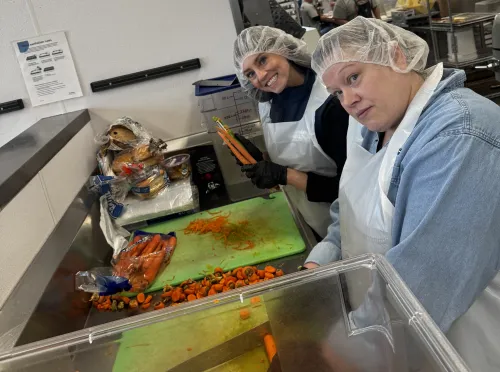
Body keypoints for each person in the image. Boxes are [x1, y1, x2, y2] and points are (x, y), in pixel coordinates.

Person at [304, 16, 500, 371]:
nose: (347, 99)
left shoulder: (459, 135)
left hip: (459, 346)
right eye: (336, 92)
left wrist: (347, 351)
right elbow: (348, 205)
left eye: (353, 77)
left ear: (395, 56)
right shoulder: (371, 122)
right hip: (393, 339)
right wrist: (319, 261)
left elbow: (426, 279)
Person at [233, 26, 349, 238]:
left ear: (284, 50)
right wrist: (260, 161)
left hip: (340, 227)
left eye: (262, 60)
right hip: (303, 221)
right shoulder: (267, 102)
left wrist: (283, 175)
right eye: (250, 74)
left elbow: (350, 188)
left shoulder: (329, 103)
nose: (260, 76)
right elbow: (292, 155)